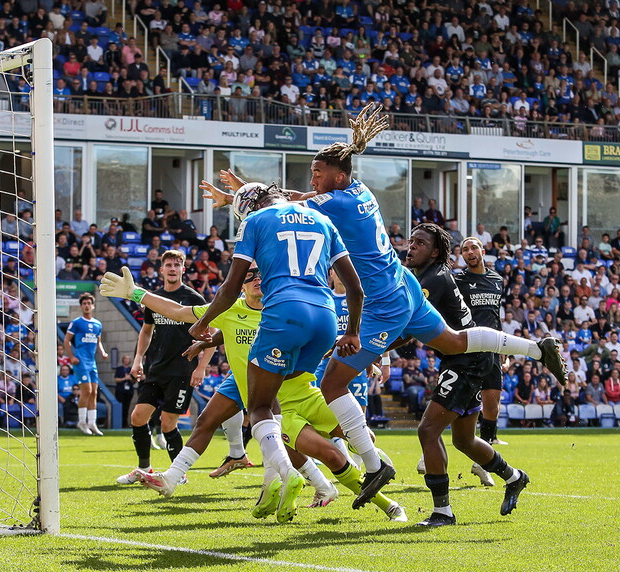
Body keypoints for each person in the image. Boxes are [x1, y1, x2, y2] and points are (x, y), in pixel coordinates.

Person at [206, 104, 567, 511]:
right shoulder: (358, 192)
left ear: (337, 175)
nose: (313, 179)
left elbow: (289, 207)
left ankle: (375, 466)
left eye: (318, 172)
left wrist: (245, 198)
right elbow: (299, 197)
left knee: (332, 385)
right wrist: (245, 192)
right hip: (404, 284)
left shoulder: (333, 205)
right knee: (452, 342)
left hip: (383, 302)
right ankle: (539, 349)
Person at [100, 263, 407, 522]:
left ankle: (298, 480)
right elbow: (180, 312)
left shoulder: (284, 307)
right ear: (239, 285)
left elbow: (324, 336)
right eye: (248, 276)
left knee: (362, 437)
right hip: (263, 397)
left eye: (260, 273)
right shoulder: (229, 309)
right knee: (320, 452)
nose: (256, 278)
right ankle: (387, 505)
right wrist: (135, 293)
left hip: (303, 391)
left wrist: (367, 354)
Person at [187, 182, 365, 524]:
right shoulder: (321, 220)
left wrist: (203, 324)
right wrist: (352, 331)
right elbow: (355, 288)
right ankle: (367, 462)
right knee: (290, 398)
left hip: (286, 313)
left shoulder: (256, 221)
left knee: (260, 406)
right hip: (327, 320)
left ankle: (287, 472)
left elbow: (228, 288)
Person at [405, 223, 530, 526]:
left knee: (428, 431)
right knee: (463, 440)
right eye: (411, 241)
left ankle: (442, 512)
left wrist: (373, 347)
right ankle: (514, 477)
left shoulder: (432, 279)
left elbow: (408, 329)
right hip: (469, 357)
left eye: (420, 243)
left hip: (466, 361)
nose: (411, 247)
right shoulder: (434, 276)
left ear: (435, 251)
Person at [116, 250, 214, 485]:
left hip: (182, 371)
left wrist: (201, 367)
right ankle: (144, 469)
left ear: (183, 269)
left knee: (168, 423)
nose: (172, 268)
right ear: (161, 270)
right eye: (168, 264)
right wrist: (138, 359)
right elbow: (147, 330)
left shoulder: (193, 299)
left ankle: (177, 474)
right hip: (155, 369)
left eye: (176, 265)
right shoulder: (154, 298)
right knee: (138, 417)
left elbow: (211, 336)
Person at [456, 237, 510, 453]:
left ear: (483, 251)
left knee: (492, 401)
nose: (470, 252)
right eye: (465, 250)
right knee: (456, 402)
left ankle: (487, 449)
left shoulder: (497, 280)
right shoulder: (458, 281)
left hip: (493, 346)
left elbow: (495, 315)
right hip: (469, 346)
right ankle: (430, 445)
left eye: (473, 248)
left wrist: (504, 344)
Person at [64, 293, 109, 435]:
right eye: (84, 303)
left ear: (93, 306)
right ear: (81, 306)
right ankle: (82, 422)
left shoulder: (97, 324)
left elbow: (98, 341)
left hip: (92, 362)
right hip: (81, 361)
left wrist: (103, 352)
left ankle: (92, 423)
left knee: (94, 392)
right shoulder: (76, 322)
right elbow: (66, 341)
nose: (87, 305)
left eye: (89, 303)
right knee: (87, 391)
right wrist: (71, 357)